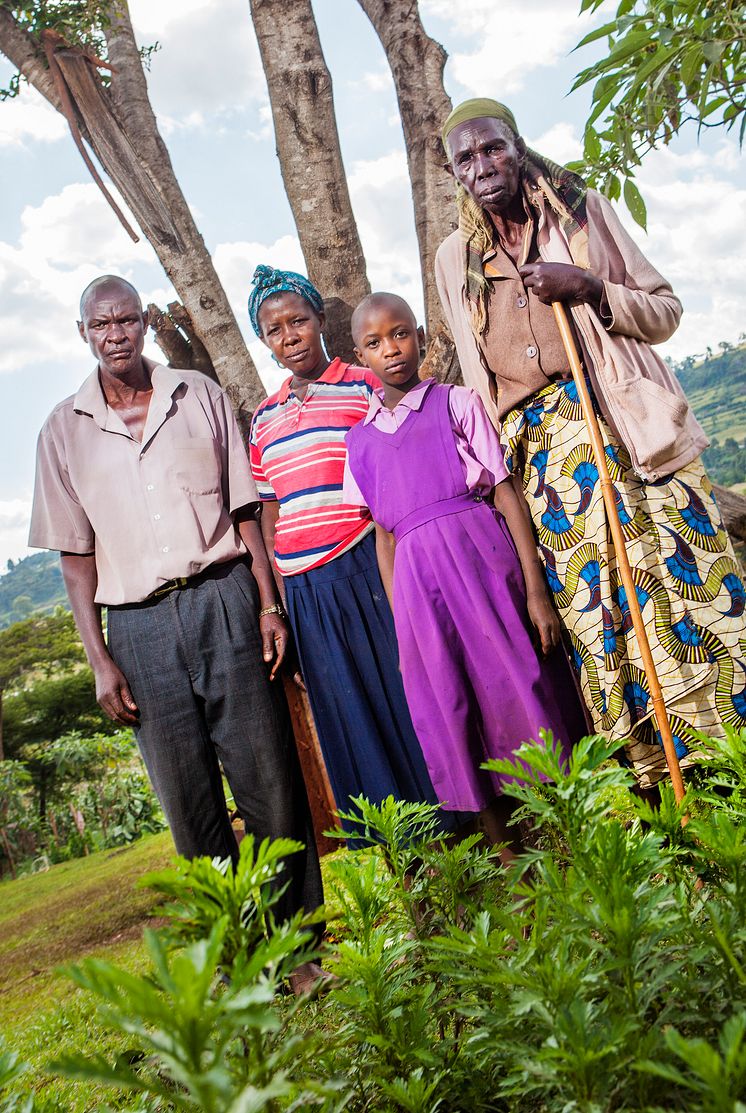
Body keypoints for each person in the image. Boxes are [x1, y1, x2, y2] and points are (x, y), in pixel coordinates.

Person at [435, 98, 746, 793]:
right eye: (467, 158)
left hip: (630, 433)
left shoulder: (579, 214)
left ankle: (728, 753)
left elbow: (664, 310)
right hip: (546, 461)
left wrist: (589, 287)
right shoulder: (455, 259)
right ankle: (652, 779)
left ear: (517, 148)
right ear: (452, 171)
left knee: (684, 589)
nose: (482, 166)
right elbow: (480, 379)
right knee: (599, 612)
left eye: (493, 149)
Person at [29, 275, 325, 994]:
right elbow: (76, 560)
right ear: (83, 334)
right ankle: (236, 958)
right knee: (189, 800)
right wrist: (98, 657)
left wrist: (267, 604)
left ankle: (303, 950)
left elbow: (246, 513)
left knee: (268, 779)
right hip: (136, 627)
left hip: (223, 598)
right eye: (101, 324)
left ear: (142, 324)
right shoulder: (62, 430)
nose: (116, 334)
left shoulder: (198, 396)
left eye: (127, 319)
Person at [342, 292, 586, 856]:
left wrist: (534, 588)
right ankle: (514, 870)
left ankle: (575, 850)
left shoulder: (456, 402)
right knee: (456, 714)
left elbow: (505, 492)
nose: (391, 349)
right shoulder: (358, 442)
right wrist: (402, 618)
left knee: (521, 692)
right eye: (375, 343)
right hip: (420, 596)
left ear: (421, 334)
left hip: (481, 571)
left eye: (400, 333)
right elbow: (383, 535)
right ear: (361, 356)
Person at [247, 265, 454, 840]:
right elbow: (270, 508)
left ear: (319, 323)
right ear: (263, 341)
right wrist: (280, 598)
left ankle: (451, 823)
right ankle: (400, 849)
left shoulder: (362, 387)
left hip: (366, 563)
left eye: (299, 322)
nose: (289, 336)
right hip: (307, 588)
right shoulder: (263, 420)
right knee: (351, 712)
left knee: (404, 691)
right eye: (274, 330)